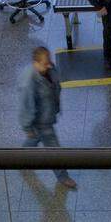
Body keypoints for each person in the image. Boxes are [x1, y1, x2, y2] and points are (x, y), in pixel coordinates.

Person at [19, 47, 77, 190]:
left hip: (47, 115)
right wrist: (27, 126)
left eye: (49, 61)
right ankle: (62, 176)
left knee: (33, 138)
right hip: (41, 121)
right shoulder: (28, 82)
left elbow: (56, 86)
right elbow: (26, 106)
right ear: (36, 63)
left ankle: (20, 159)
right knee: (54, 149)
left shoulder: (49, 69)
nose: (49, 65)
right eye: (46, 63)